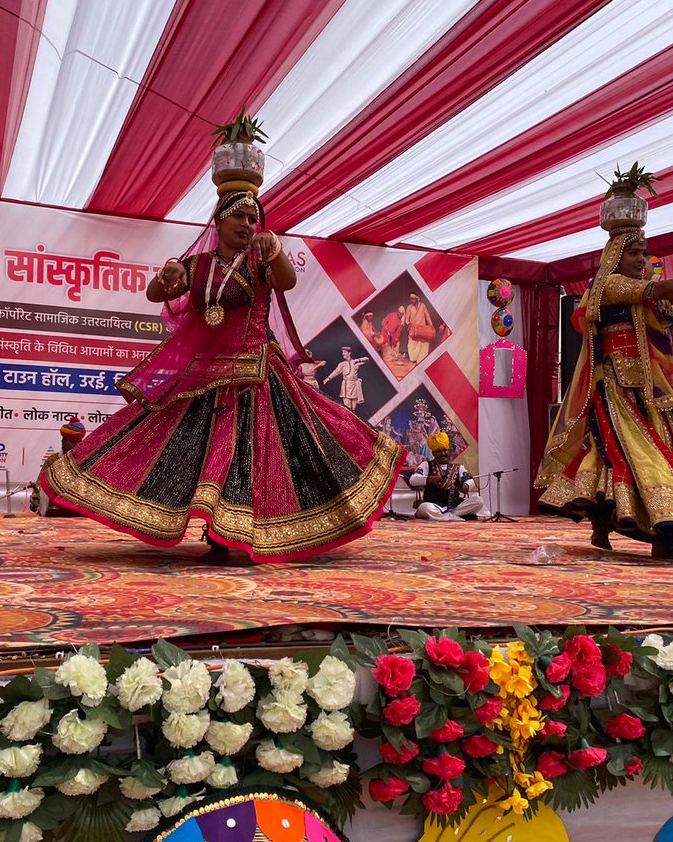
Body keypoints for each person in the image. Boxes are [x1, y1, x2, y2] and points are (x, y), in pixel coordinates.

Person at [40, 190, 403, 563]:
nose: (247, 225)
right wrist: (168, 275)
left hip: (255, 374)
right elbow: (155, 294)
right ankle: (212, 529)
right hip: (204, 376)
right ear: (219, 222)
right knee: (187, 452)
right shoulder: (196, 266)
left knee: (251, 454)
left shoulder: (260, 259)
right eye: (240, 217)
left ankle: (232, 531)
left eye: (252, 219)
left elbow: (287, 281)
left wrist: (275, 249)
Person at [535, 225, 673, 559]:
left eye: (644, 252)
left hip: (649, 388)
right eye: (634, 253)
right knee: (645, 456)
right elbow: (659, 290)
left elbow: (666, 293)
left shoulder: (636, 287)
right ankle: (670, 532)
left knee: (640, 454)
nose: (642, 259)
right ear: (615, 256)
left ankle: (609, 518)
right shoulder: (611, 284)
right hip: (618, 387)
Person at [408, 432, 483, 521]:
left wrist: (466, 485)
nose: (443, 453)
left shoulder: (458, 467)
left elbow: (470, 480)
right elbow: (413, 480)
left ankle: (447, 516)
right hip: (434, 506)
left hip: (454, 507)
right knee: (424, 508)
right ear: (433, 453)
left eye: (445, 450)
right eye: (439, 451)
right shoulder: (426, 465)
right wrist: (430, 479)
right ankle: (454, 518)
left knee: (478, 501)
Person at [28, 417, 86, 515]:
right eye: (73, 442)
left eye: (79, 442)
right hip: (54, 512)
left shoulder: (85, 460)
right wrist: (35, 498)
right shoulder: (53, 460)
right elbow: (40, 483)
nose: (76, 445)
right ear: (63, 441)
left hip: (78, 512)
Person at [323, 346, 370, 412]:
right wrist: (328, 378)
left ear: (349, 353)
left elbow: (367, 359)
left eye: (345, 352)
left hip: (354, 386)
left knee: (353, 407)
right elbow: (336, 372)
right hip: (346, 386)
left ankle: (353, 419)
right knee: (347, 407)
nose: (343, 354)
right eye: (343, 352)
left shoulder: (355, 362)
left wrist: (357, 360)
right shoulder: (342, 364)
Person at [404, 293, 435, 362]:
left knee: (423, 345)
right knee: (412, 345)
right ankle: (414, 359)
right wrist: (409, 324)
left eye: (413, 298)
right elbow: (406, 319)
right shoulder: (409, 307)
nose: (411, 300)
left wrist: (431, 325)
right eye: (411, 298)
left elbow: (427, 316)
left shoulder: (423, 305)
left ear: (417, 298)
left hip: (422, 329)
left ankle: (421, 360)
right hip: (413, 330)